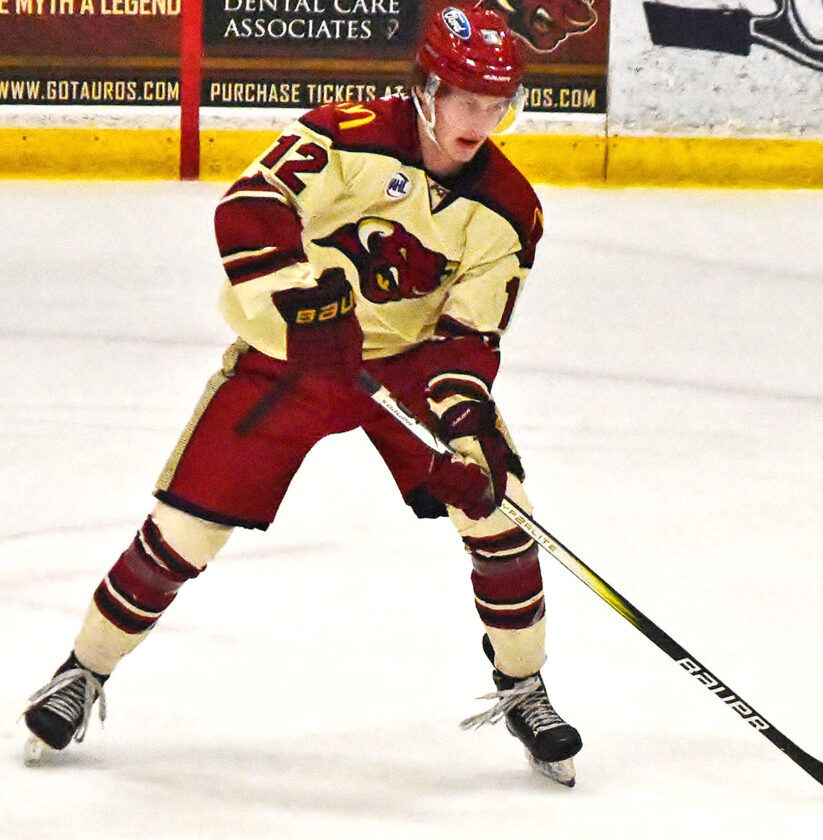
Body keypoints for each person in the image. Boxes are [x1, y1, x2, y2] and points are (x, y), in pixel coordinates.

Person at [22, 4, 582, 786]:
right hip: (290, 359)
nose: (480, 122)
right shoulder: (342, 134)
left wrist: (464, 431)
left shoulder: (510, 211)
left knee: (499, 507)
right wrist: (301, 303)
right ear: (425, 87)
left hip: (409, 367)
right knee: (184, 529)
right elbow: (248, 208)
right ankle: (82, 672)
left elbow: (466, 339)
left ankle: (523, 686)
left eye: (497, 106)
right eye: (465, 100)